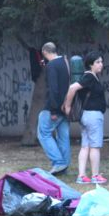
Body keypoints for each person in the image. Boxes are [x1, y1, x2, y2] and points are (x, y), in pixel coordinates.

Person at [62, 51, 108, 184]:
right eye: (97, 62)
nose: (101, 64)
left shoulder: (92, 77)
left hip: (86, 115)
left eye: (101, 61)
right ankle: (95, 175)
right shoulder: (89, 77)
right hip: (93, 115)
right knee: (95, 146)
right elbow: (72, 88)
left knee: (85, 146)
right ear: (90, 65)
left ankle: (82, 176)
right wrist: (68, 106)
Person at [38, 42, 71, 175]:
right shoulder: (65, 62)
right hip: (66, 105)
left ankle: (59, 163)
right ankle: (64, 167)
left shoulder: (51, 65)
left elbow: (54, 89)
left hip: (55, 106)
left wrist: (53, 110)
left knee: (43, 134)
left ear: (45, 52)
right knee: (63, 136)